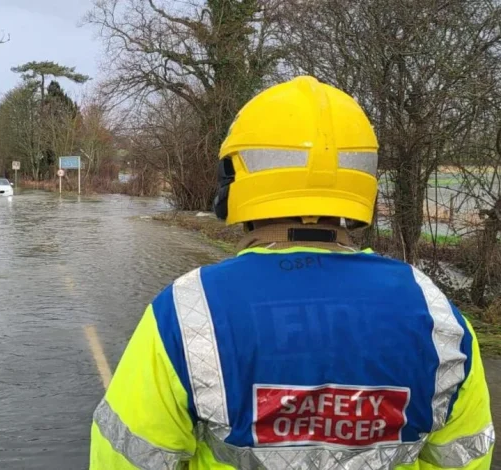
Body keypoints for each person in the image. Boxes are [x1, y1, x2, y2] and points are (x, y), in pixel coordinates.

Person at [89, 76, 493, 469]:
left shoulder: (187, 311)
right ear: (362, 182)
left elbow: (125, 459)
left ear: (235, 179)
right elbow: (463, 459)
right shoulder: (436, 315)